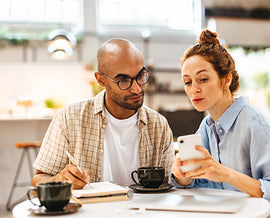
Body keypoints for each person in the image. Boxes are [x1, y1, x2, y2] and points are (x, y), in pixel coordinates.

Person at [170, 29, 270, 218]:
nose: (193, 89)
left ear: (226, 79)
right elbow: (201, 185)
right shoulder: (207, 127)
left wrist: (225, 174)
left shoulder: (254, 122)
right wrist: (184, 177)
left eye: (203, 79)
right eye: (187, 82)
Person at [32, 38, 175, 189]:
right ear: (101, 80)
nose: (137, 89)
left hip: (142, 212)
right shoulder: (70, 118)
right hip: (90, 211)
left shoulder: (159, 125)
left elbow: (170, 185)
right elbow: (39, 179)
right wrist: (59, 180)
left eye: (140, 76)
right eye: (123, 81)